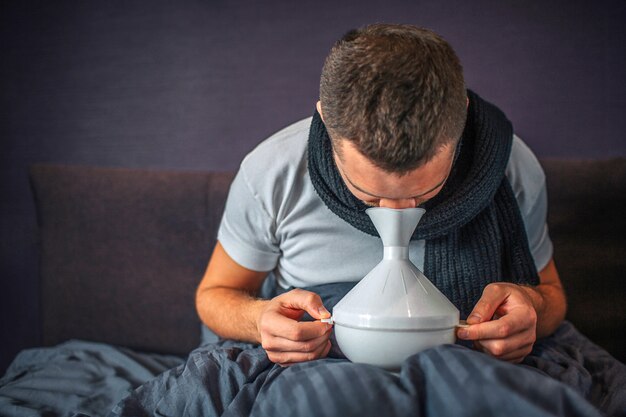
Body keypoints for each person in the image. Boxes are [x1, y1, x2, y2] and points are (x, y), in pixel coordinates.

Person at [113, 24, 624, 417]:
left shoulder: (512, 168)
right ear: (325, 121)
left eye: (426, 192)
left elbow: (551, 294)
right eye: (368, 194)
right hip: (319, 367)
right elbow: (215, 295)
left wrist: (531, 305)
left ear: (461, 119)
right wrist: (260, 318)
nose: (398, 215)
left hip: (465, 356)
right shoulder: (272, 170)